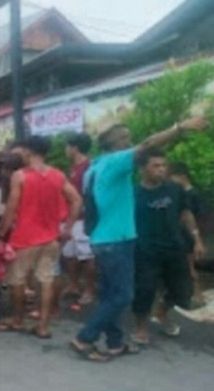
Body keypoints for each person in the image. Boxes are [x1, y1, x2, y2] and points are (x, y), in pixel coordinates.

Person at [70, 116, 208, 362]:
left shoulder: (95, 166)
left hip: (102, 238)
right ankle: (84, 337)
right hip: (116, 240)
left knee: (111, 295)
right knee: (122, 296)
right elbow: (147, 145)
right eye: (123, 137)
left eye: (128, 137)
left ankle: (115, 343)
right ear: (110, 142)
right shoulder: (115, 161)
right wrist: (180, 127)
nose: (129, 141)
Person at [0, 136, 82, 339]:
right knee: (46, 280)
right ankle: (43, 326)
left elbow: (11, 209)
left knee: (17, 280)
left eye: (20, 151)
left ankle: (17, 320)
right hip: (51, 238)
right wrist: (67, 228)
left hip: (25, 238)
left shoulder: (20, 176)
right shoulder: (58, 175)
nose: (18, 154)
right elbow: (76, 200)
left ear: (28, 151)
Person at [132, 150, 205, 344]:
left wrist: (197, 239)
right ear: (142, 169)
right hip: (145, 250)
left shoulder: (174, 189)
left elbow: (185, 213)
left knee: (184, 289)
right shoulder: (133, 194)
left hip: (174, 248)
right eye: (156, 166)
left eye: (163, 166)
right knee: (145, 290)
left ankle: (162, 312)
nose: (161, 170)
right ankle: (141, 327)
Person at [62, 133, 95, 305]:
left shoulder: (88, 168)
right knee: (70, 253)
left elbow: (88, 195)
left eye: (67, 146)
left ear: (74, 147)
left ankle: (89, 289)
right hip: (70, 217)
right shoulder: (73, 167)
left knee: (86, 255)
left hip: (82, 218)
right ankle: (73, 284)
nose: (65, 150)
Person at [169, 162, 205, 305]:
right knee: (186, 266)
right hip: (181, 234)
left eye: (173, 177)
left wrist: (197, 237)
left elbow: (197, 215)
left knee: (189, 266)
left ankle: (197, 294)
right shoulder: (180, 193)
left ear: (182, 176)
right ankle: (194, 293)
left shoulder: (192, 194)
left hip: (187, 235)